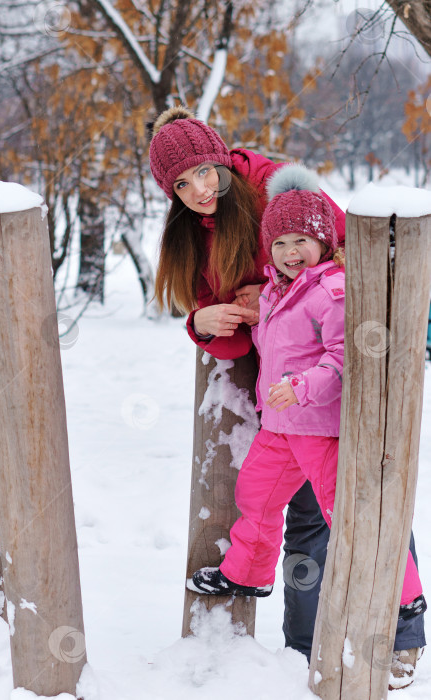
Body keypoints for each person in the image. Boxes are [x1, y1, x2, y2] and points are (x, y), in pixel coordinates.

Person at [148, 107, 425, 681]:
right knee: (291, 511)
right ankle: (304, 646)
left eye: (203, 171)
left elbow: (355, 249)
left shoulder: (278, 191)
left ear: (222, 158)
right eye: (180, 183)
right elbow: (223, 329)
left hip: (342, 371)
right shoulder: (190, 236)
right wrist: (206, 319)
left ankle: (401, 630)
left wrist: (307, 298)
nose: (198, 191)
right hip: (277, 391)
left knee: (359, 497)